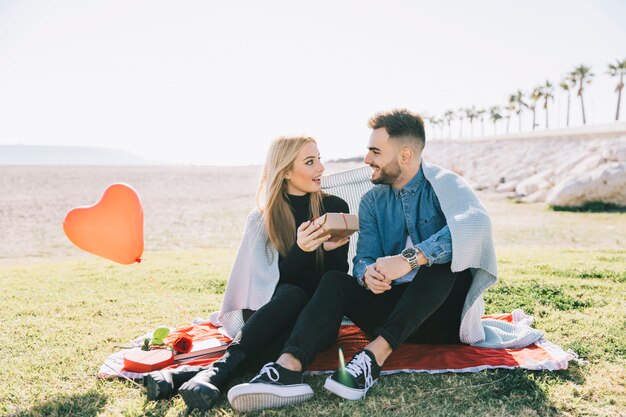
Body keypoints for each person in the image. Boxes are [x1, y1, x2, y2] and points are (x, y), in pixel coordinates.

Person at [226, 108, 500, 412]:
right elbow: (363, 258)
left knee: (447, 263)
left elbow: (474, 226)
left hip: (441, 319)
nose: (366, 159)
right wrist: (366, 274)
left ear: (405, 155)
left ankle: (371, 360)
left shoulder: (446, 185)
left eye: (375, 151)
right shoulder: (371, 201)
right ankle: (286, 370)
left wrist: (410, 259)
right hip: (387, 312)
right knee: (335, 282)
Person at [143, 136, 351, 411]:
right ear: (286, 171)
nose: (321, 168)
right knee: (290, 293)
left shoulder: (335, 207)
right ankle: (212, 374)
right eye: (310, 162)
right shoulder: (262, 218)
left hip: (315, 322)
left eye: (319, 159)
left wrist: (329, 249)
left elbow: (333, 281)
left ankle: (195, 374)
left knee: (300, 296)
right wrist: (300, 250)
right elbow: (263, 285)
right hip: (271, 313)